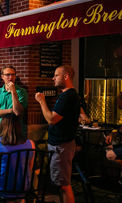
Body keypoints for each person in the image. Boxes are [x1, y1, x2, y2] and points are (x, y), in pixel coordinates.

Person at [35, 65, 80, 203]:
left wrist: (42, 101)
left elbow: (51, 119)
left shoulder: (68, 96)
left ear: (66, 77)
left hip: (62, 146)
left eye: (56, 75)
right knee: (60, 184)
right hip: (60, 144)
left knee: (64, 185)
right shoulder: (68, 96)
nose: (53, 78)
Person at [0, 113, 35, 196]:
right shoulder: (31, 143)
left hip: (1, 187)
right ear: (19, 127)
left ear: (2, 126)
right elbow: (29, 167)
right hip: (23, 186)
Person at [0, 66, 28, 136]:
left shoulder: (21, 92)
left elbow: (17, 112)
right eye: (8, 75)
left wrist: (13, 92)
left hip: (14, 132)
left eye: (13, 74)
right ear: (2, 76)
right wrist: (11, 111)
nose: (10, 77)